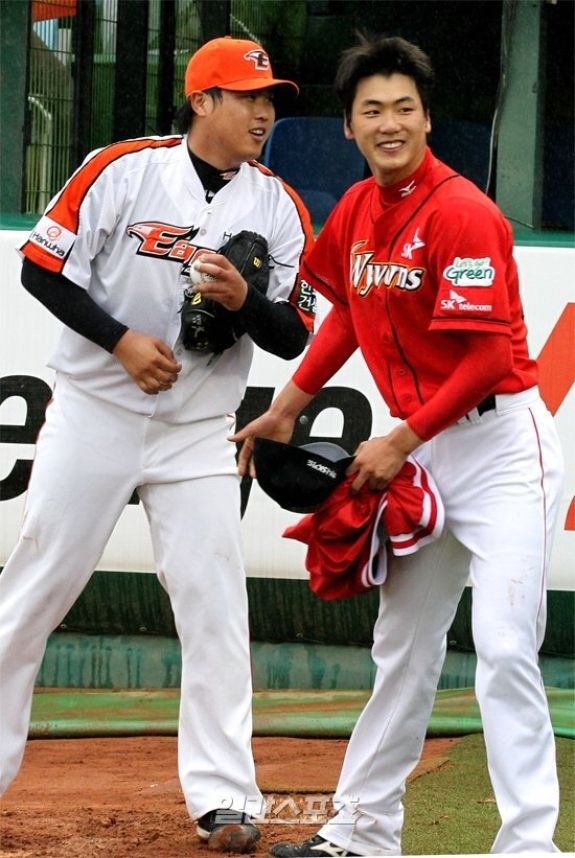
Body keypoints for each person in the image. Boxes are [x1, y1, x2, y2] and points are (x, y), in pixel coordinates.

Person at [231, 34, 564, 857]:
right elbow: (346, 312)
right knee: (401, 647)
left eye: (404, 108)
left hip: (499, 449)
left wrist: (400, 439)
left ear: (426, 119)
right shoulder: (354, 209)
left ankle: (528, 846)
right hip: (425, 450)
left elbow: (487, 358)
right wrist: (287, 406)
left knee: (503, 647)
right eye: (371, 109)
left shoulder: (463, 213)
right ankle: (362, 832)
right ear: (348, 126)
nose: (389, 123)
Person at [0, 36, 315, 854]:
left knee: (215, 608)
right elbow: (39, 269)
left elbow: (292, 335)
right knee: (33, 595)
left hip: (197, 430)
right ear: (202, 101)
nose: (263, 113)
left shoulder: (278, 205)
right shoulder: (123, 169)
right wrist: (120, 342)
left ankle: (225, 798)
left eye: (269, 100)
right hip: (96, 412)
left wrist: (243, 301)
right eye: (247, 97)